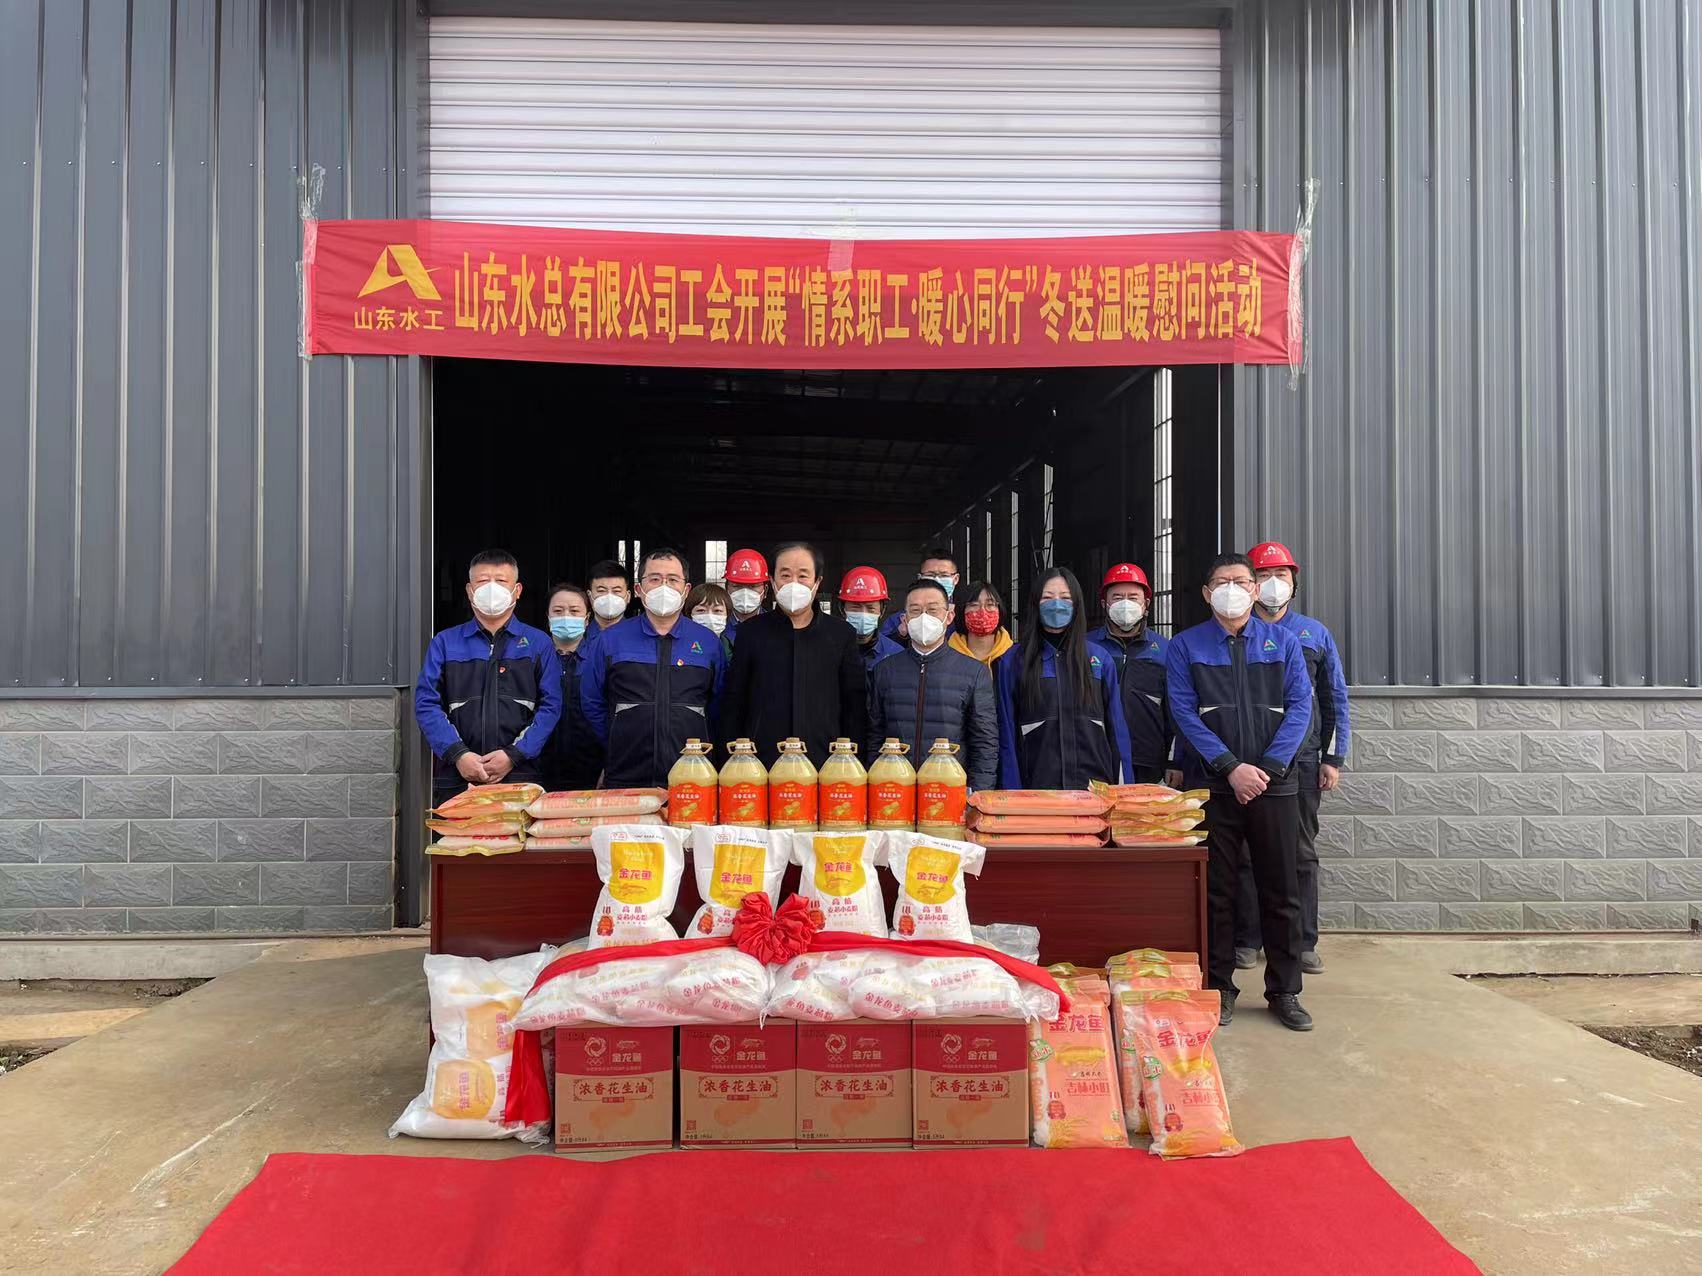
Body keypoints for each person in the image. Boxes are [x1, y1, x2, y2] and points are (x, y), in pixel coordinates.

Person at [1166, 552, 1314, 1032]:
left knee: (1282, 890)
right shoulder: (1186, 646)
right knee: (1216, 891)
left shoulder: (1284, 643)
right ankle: (1220, 986)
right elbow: (1183, 713)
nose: (1231, 589)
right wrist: (1230, 768)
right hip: (1215, 785)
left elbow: (1300, 708)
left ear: (1255, 590)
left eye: (1241, 581)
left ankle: (1285, 990)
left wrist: (1266, 770)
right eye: (1221, 582)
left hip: (1275, 785)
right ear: (1207, 593)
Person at [1229, 540, 1353, 977]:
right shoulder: (1236, 633)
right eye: (1263, 576)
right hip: (1248, 761)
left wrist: (1333, 757)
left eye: (1280, 575)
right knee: (1245, 851)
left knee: (1299, 851)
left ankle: (1301, 941)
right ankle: (1247, 938)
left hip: (1301, 762)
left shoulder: (1313, 634)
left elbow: (1333, 697)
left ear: (1293, 583)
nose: (1272, 584)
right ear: (1249, 584)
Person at [414, 549, 562, 806]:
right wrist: (458, 754)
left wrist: (514, 755)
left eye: (501, 581)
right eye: (483, 581)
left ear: (517, 590)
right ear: (470, 590)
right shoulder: (445, 643)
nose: (492, 589)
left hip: (521, 775)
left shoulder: (539, 644)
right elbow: (426, 703)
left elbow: (551, 706)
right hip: (457, 779)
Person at [581, 548, 726, 789]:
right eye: (655, 579)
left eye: (673, 580)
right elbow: (591, 701)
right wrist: (617, 740)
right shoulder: (610, 640)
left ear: (686, 590)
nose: (664, 587)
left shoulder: (708, 642)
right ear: (639, 589)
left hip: (692, 775)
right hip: (626, 773)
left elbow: (718, 705)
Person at [718, 542, 867, 768]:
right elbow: (734, 701)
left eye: (803, 576)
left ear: (817, 582)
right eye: (785, 575)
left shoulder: (840, 635)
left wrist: (853, 764)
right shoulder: (751, 633)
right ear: (772, 581)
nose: (793, 583)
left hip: (825, 764)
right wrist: (730, 763)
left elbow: (854, 706)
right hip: (761, 764)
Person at [995, 568, 1132, 789]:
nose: (1057, 604)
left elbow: (1117, 732)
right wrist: (1012, 794)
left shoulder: (1099, 659)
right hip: (1038, 793)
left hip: (1093, 790)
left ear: (1077, 605)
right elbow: (1006, 736)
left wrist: (1124, 792)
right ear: (1035, 604)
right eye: (1047, 597)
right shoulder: (1012, 662)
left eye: (1065, 598)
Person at [866, 579, 998, 790]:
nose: (924, 617)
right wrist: (875, 785)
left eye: (933, 610)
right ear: (905, 619)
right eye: (915, 611)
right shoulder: (885, 670)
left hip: (949, 789)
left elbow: (985, 742)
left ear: (949, 617)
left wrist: (977, 794)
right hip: (895, 789)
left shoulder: (973, 672)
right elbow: (875, 735)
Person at [1086, 563, 1172, 783]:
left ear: (1146, 604)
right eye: (1117, 598)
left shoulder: (1166, 650)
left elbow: (1176, 711)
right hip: (1096, 756)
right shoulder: (1085, 647)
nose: (1125, 604)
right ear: (1104, 604)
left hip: (1147, 761)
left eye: (1133, 598)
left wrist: (1175, 761)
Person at [541, 583, 605, 792]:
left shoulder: (600, 659)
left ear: (587, 619)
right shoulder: (534, 658)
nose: (566, 617)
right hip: (538, 770)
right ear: (548, 617)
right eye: (558, 611)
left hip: (592, 769)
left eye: (574, 611)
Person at [879, 546, 960, 641]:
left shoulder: (963, 617)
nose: (937, 580)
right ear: (919, 578)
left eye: (944, 575)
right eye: (930, 575)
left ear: (955, 579)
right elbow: (883, 646)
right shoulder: (898, 620)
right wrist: (901, 636)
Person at [838, 565, 901, 676]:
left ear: (882, 610)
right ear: (842, 609)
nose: (863, 614)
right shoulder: (828, 650)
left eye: (870, 608)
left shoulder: (896, 654)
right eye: (855, 607)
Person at [949, 580, 1014, 671]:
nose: (982, 611)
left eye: (990, 604)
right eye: (974, 605)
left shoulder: (1015, 658)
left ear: (999, 610)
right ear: (962, 610)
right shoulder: (947, 658)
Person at [723, 548, 770, 642]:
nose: (745, 593)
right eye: (736, 586)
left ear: (765, 590)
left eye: (753, 586)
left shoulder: (774, 627)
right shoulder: (718, 626)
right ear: (726, 588)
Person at [685, 582, 735, 659]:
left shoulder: (735, 648)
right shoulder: (678, 646)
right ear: (690, 613)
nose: (710, 616)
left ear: (727, 614)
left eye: (717, 610)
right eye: (701, 610)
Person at [587, 559, 633, 632]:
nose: (609, 597)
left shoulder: (638, 635)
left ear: (628, 596)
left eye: (617, 591)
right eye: (601, 591)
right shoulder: (579, 635)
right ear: (589, 596)